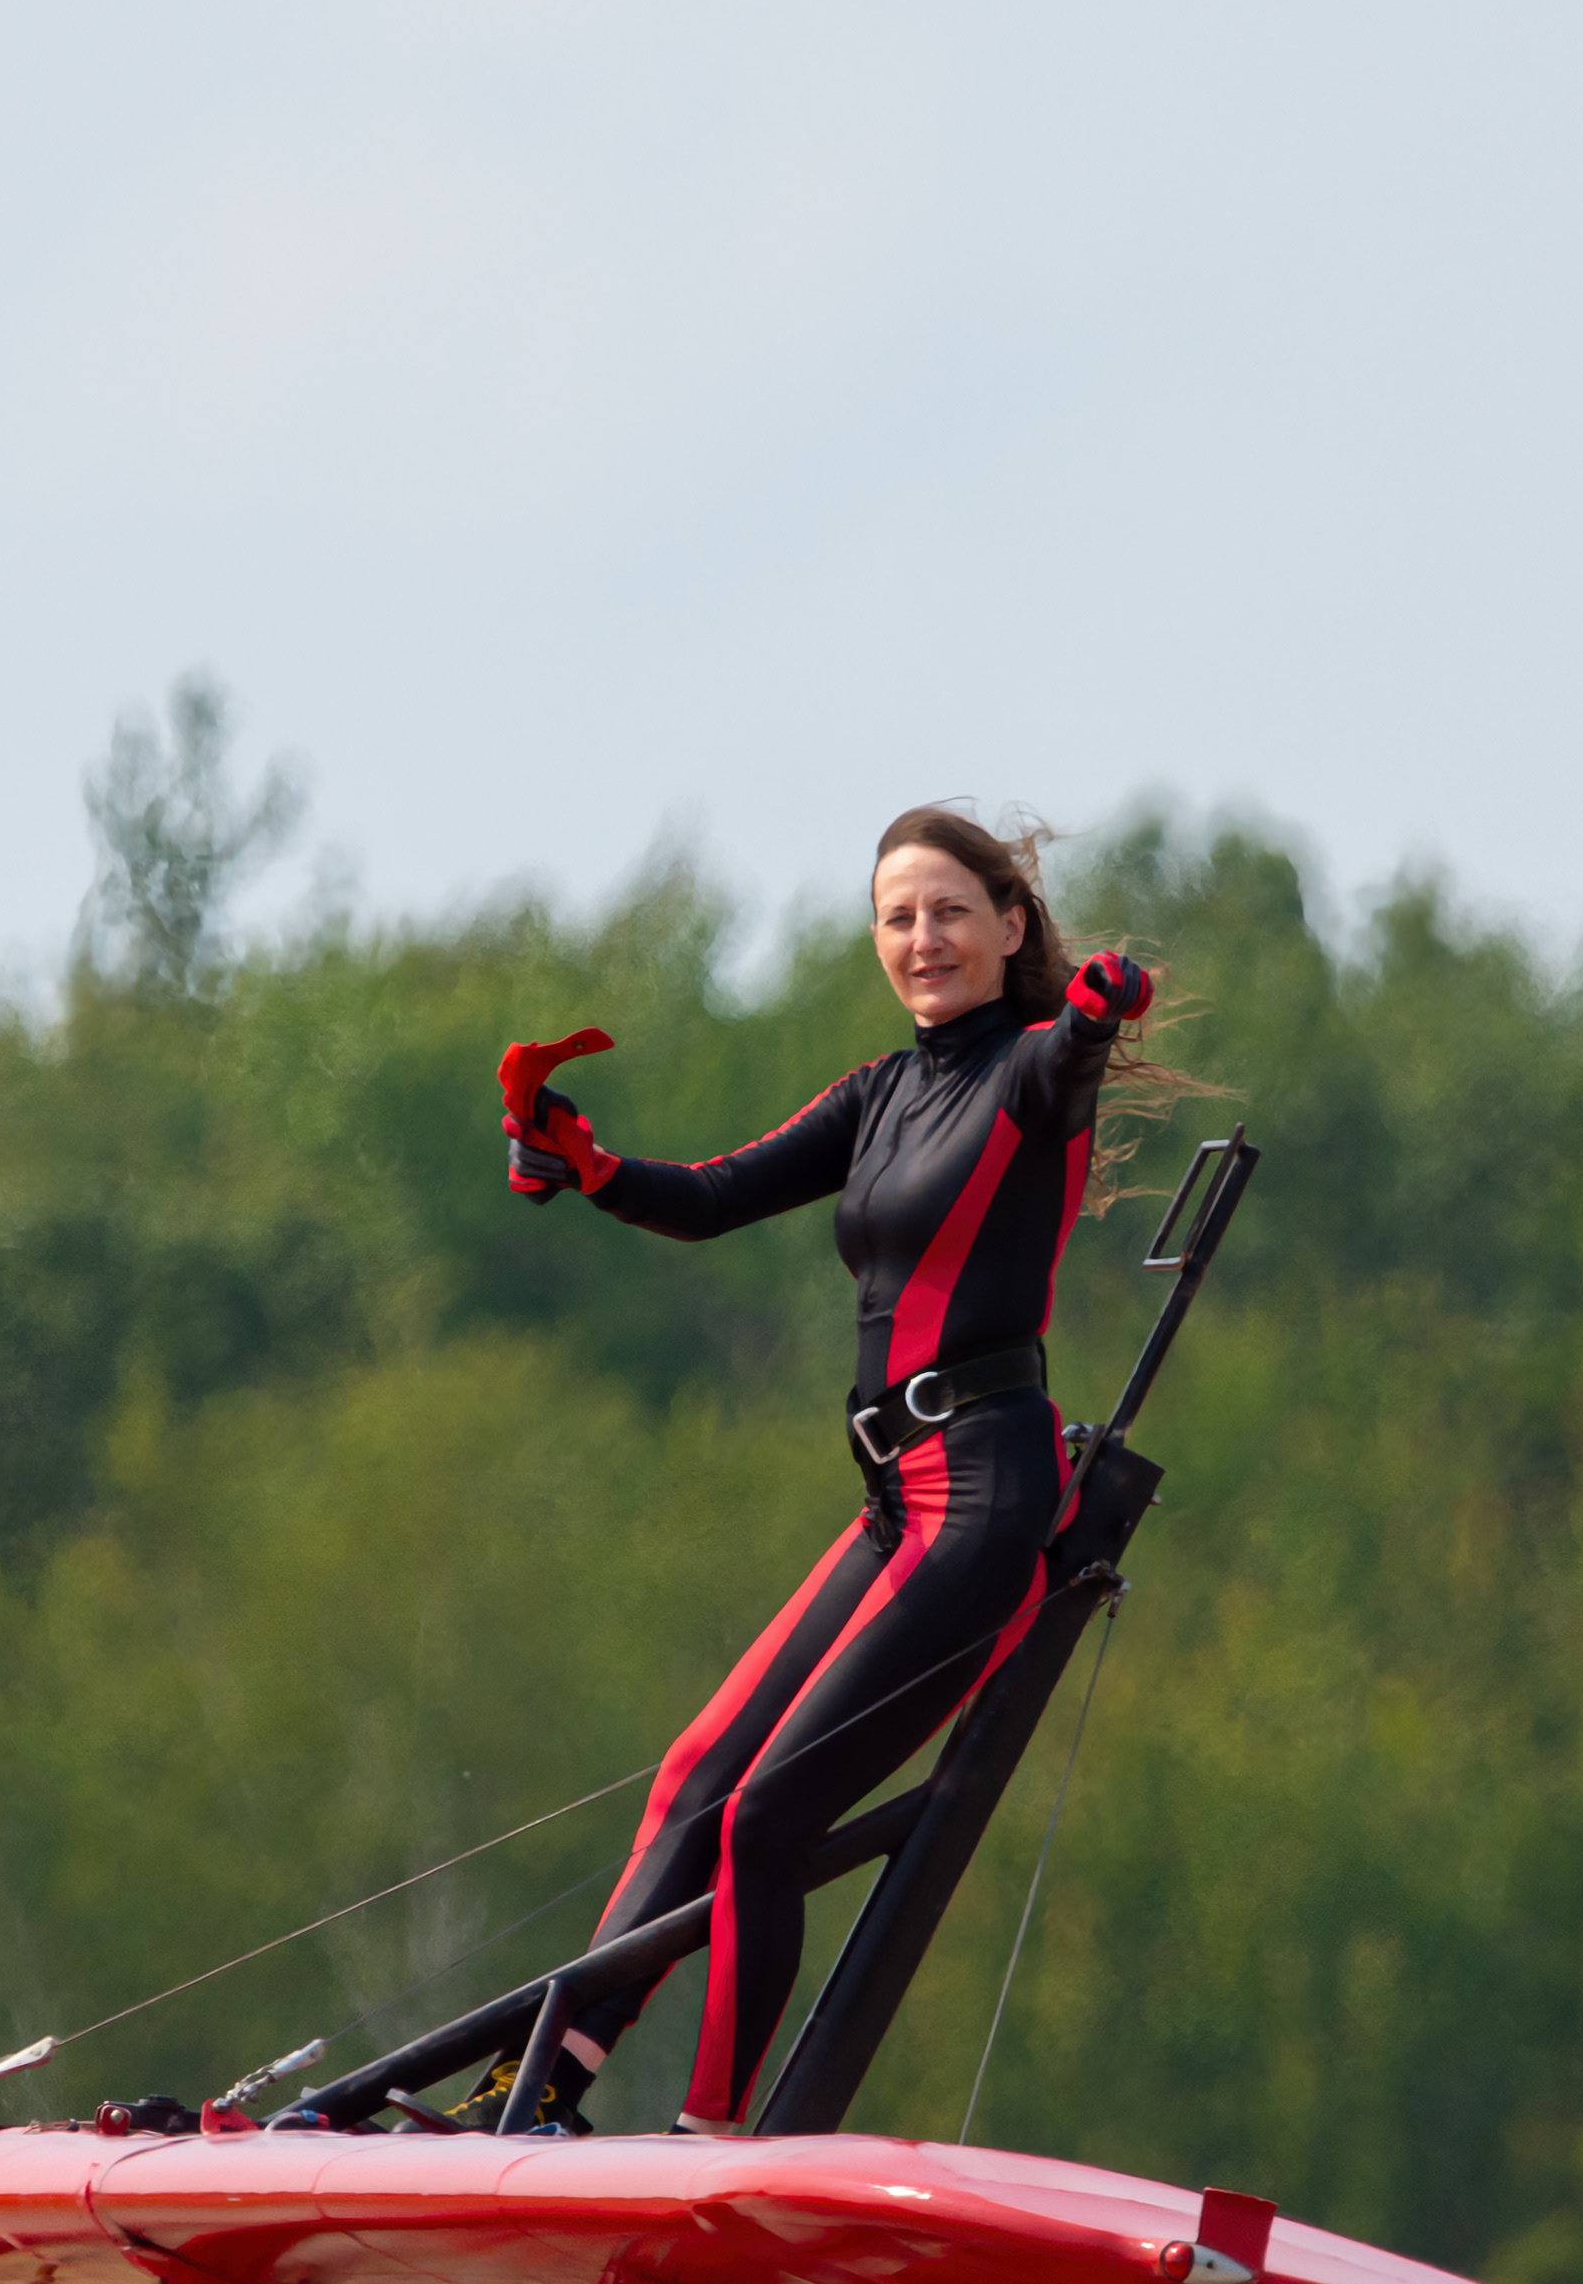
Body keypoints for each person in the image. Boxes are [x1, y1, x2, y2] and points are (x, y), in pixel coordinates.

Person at [472, 807, 1161, 2136]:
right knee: (694, 1782)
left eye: (951, 911)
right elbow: (716, 1194)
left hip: (984, 1497)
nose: (924, 939)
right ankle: (539, 2093)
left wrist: (1092, 1016)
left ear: (1009, 928)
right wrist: (586, 1161)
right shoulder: (882, 1092)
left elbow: (1070, 1067)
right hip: (895, 1502)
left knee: (765, 1822)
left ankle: (714, 2136)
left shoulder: (1027, 1068)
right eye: (899, 917)